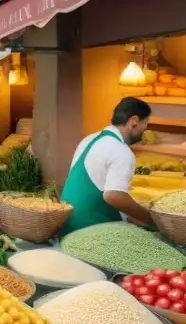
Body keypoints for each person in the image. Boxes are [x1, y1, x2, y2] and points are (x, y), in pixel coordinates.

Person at [61, 97, 153, 234]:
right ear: (134, 121)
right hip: (90, 230)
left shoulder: (89, 139)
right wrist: (152, 221)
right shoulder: (121, 151)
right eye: (145, 124)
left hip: (65, 224)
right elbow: (113, 196)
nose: (145, 129)